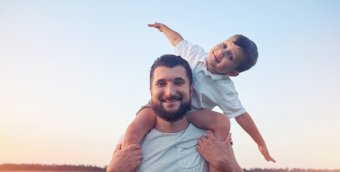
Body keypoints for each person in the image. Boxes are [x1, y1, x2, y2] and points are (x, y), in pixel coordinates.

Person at [123, 22, 275, 163]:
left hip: (192, 114)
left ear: (233, 73)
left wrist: (260, 143)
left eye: (230, 56)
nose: (222, 53)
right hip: (163, 103)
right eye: (224, 45)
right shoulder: (194, 53)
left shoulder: (225, 88)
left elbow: (241, 115)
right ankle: (126, 157)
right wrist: (163, 28)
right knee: (137, 126)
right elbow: (177, 39)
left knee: (221, 121)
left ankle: (218, 155)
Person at [107, 55, 240, 172]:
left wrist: (223, 165)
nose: (169, 92)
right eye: (161, 83)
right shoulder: (129, 142)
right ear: (151, 91)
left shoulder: (211, 140)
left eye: (178, 82)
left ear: (191, 90)